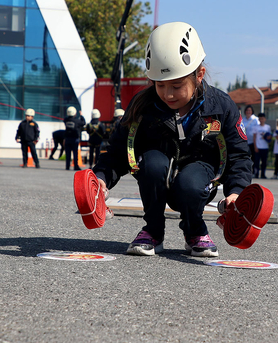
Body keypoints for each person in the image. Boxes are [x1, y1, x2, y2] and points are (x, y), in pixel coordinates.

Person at [92, 22, 251, 257]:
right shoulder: (141, 106)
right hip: (155, 173)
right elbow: (118, 150)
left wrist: (237, 191)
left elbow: (238, 153)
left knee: (190, 181)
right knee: (153, 163)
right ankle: (153, 231)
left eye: (177, 86)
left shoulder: (221, 106)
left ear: (199, 75)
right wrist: (101, 178)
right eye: (160, 85)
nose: (168, 94)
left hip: (199, 176)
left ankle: (194, 230)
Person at [63, 106, 86, 171]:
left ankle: (67, 166)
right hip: (74, 139)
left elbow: (65, 119)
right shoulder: (77, 121)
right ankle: (76, 166)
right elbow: (83, 123)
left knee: (68, 153)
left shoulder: (66, 120)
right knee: (75, 154)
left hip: (67, 139)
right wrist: (81, 115)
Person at [253, 113, 271, 179]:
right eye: (260, 119)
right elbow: (254, 137)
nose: (261, 120)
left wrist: (267, 137)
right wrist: (255, 146)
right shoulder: (256, 127)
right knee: (257, 161)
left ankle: (263, 174)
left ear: (265, 119)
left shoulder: (268, 127)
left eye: (262, 119)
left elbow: (269, 136)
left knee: (264, 162)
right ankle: (256, 173)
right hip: (258, 146)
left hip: (265, 147)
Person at [242, 105, 259, 174]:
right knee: (246, 157)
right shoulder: (243, 119)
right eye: (247, 110)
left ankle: (254, 171)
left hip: (253, 142)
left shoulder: (255, 119)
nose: (248, 112)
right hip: (245, 142)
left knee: (254, 157)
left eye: (250, 110)